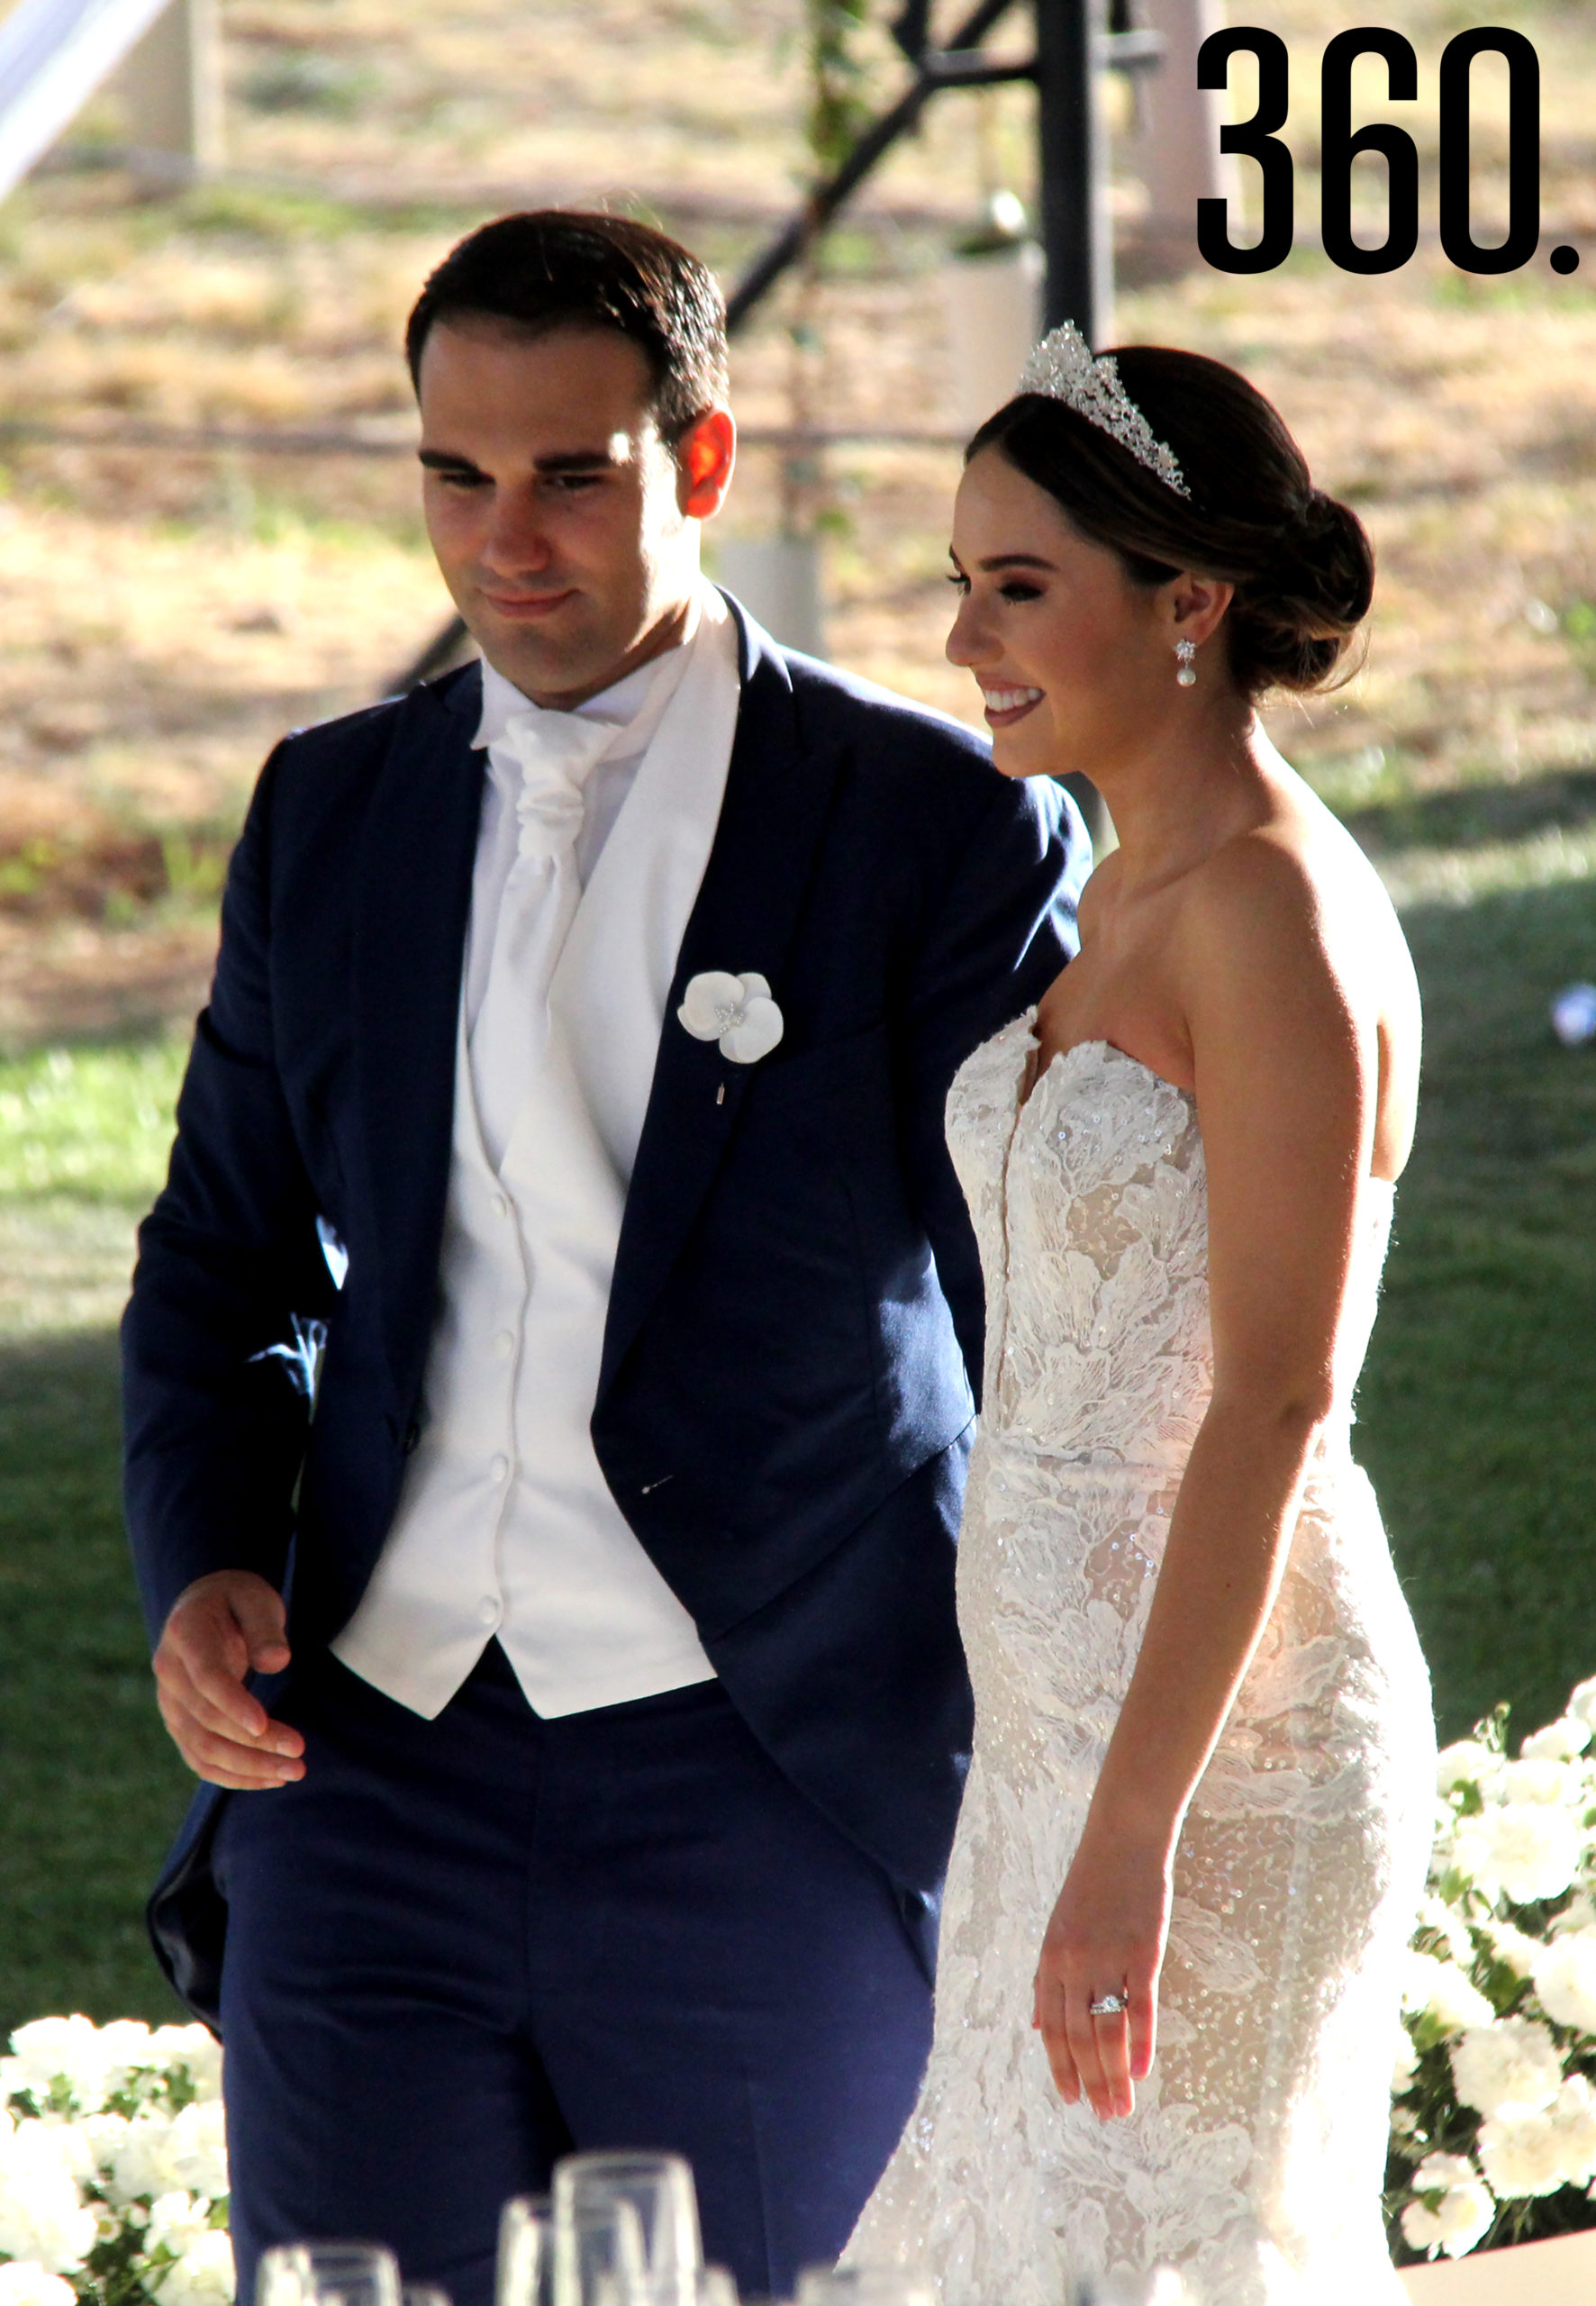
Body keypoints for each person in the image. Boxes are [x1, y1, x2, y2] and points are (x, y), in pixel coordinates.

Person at [122, 213, 1087, 2306]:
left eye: (573, 472)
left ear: (705, 460)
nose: (506, 539)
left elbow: (1063, 1334)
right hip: (364, 1778)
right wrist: (202, 1550)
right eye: (454, 477)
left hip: (762, 1769)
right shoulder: (327, 811)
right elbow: (223, 1255)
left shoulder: (934, 828)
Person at [845, 329, 1436, 2304]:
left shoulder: (1266, 904)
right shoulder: (1119, 891)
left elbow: (1273, 1399)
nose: (962, 639)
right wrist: (1067, 1803)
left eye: (1016, 587)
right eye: (958, 580)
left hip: (1219, 1766)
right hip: (1053, 1752)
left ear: (1188, 599)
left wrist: (1129, 1838)